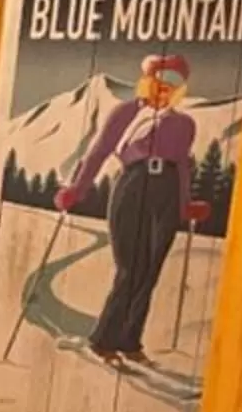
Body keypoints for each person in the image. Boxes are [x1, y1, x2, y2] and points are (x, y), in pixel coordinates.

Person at [56, 52, 213, 367]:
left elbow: (182, 166)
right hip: (132, 185)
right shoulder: (125, 113)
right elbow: (98, 152)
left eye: (173, 82)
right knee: (130, 267)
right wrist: (78, 189)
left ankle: (129, 341)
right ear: (147, 80)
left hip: (166, 190)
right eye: (159, 79)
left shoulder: (184, 124)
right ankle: (102, 341)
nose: (164, 87)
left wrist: (185, 203)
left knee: (150, 270)